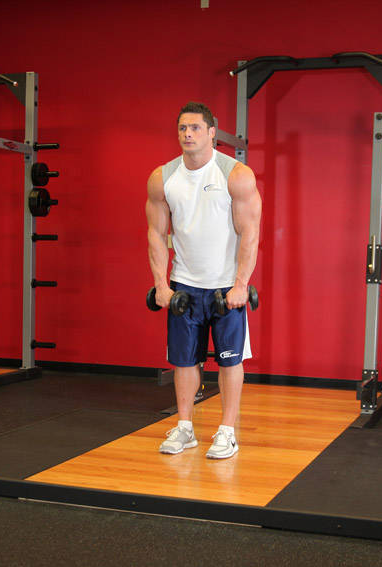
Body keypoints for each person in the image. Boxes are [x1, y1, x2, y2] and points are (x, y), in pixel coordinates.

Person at [145, 101, 262, 459]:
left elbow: (250, 232)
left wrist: (241, 284)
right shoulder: (163, 178)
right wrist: (161, 285)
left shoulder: (235, 174)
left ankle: (227, 432)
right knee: (183, 361)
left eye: (195, 127)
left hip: (226, 288)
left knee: (230, 361)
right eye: (182, 128)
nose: (188, 134)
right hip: (184, 285)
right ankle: (185, 428)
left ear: (212, 132)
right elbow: (155, 233)